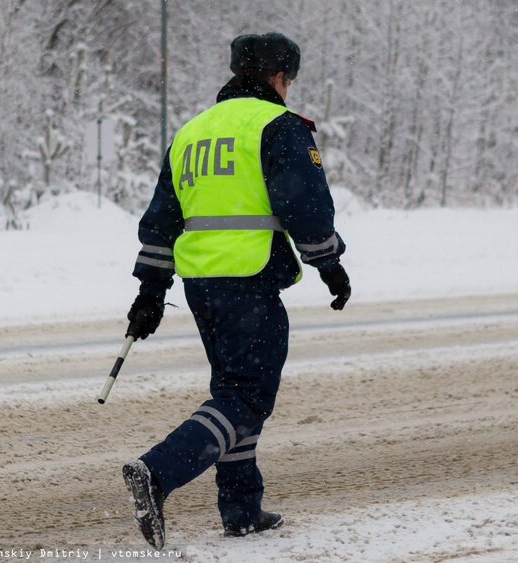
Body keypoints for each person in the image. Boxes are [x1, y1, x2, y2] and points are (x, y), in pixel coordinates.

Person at [120, 32, 350, 549]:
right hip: (251, 279)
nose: (288, 88)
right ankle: (158, 473)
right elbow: (306, 208)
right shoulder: (278, 126)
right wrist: (330, 264)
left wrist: (151, 291)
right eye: (288, 79)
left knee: (232, 392)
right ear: (276, 76)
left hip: (201, 282)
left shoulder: (191, 132)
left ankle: (242, 509)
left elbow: (160, 221)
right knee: (248, 397)